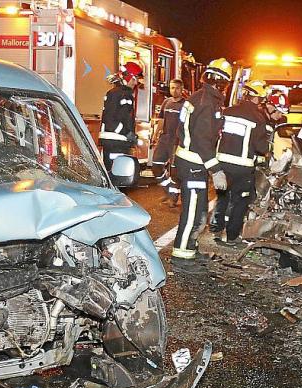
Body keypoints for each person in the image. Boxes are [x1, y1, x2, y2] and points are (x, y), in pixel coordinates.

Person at [170, 58, 232, 274]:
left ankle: (191, 249)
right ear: (221, 82)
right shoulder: (208, 102)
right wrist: (216, 169)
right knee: (193, 213)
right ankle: (181, 257)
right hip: (193, 164)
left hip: (192, 162)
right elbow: (202, 140)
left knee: (200, 211)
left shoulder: (200, 97)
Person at [209, 80, 270, 246]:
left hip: (221, 164)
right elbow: (261, 147)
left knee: (222, 196)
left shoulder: (227, 111)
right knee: (241, 201)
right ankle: (232, 236)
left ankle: (216, 229)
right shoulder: (258, 118)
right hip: (242, 168)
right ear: (257, 98)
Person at [99, 61, 144, 174]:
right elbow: (110, 120)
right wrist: (126, 133)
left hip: (119, 142)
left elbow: (124, 118)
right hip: (114, 142)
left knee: (120, 175)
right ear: (127, 77)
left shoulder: (125, 94)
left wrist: (130, 134)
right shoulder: (116, 94)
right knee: (116, 175)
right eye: (134, 79)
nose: (136, 82)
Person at [152, 78, 185, 206]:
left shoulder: (185, 105)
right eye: (172, 88)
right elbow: (161, 120)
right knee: (156, 165)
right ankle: (168, 190)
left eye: (177, 88)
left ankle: (174, 197)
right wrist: (156, 134)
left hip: (177, 141)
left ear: (182, 89)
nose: (174, 90)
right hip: (164, 139)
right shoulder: (166, 102)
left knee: (174, 171)